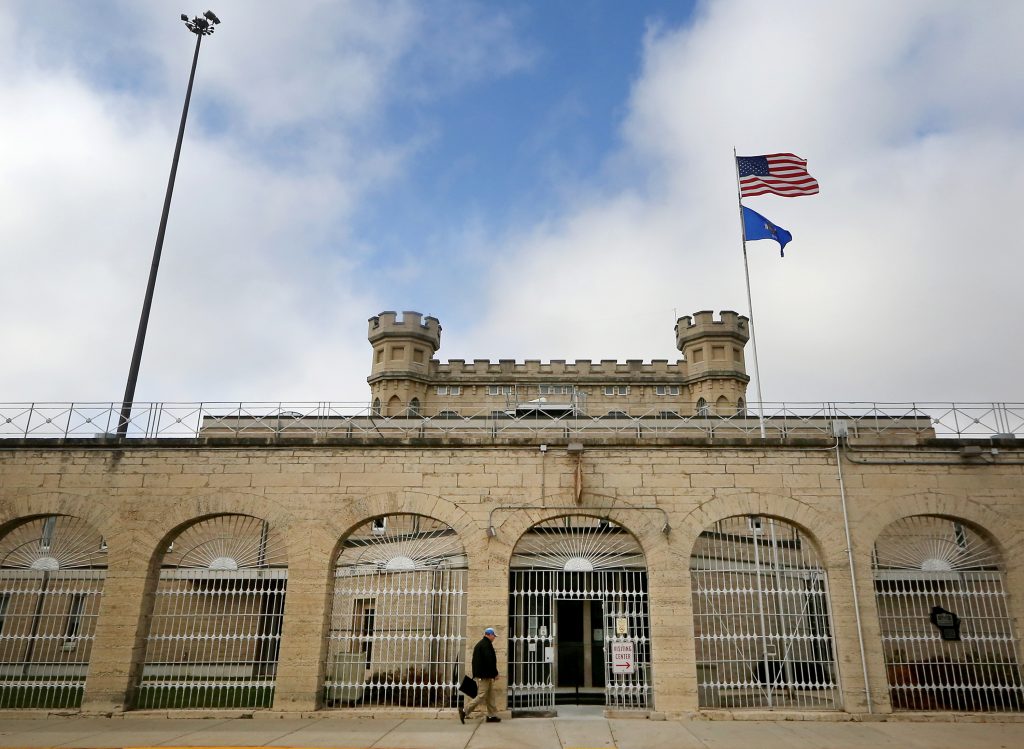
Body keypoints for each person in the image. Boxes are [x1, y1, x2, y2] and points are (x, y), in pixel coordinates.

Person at [459, 627, 501, 723]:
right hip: (484, 675)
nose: (494, 638)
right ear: (489, 634)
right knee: (481, 695)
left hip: (486, 675)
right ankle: (465, 710)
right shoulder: (485, 645)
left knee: (491, 695)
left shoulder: (483, 644)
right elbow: (489, 661)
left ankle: (491, 716)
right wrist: (495, 673)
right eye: (494, 635)